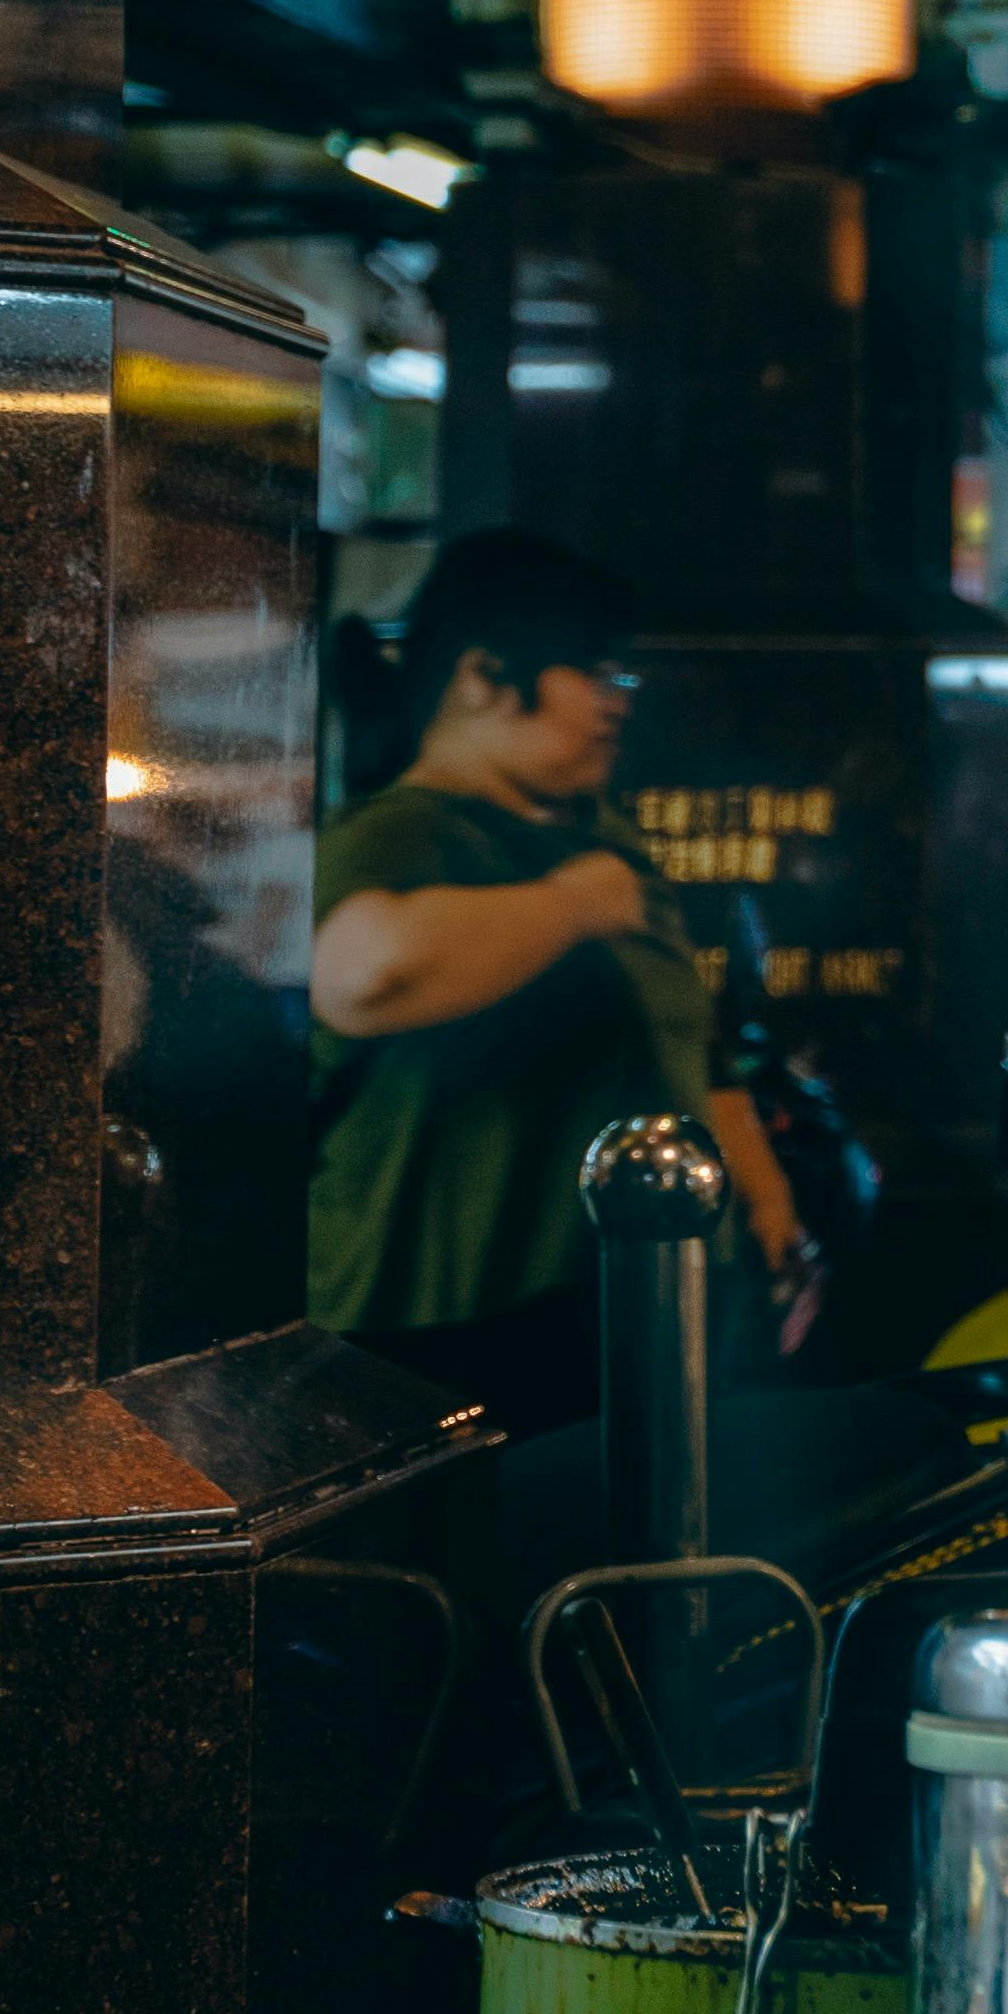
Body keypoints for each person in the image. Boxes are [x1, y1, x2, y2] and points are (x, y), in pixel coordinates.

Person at [306, 532, 803, 1438]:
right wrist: (571, 906)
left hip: (616, 1304)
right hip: (452, 1327)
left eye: (623, 677)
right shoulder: (405, 830)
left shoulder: (596, 836)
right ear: (482, 677)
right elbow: (358, 977)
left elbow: (688, 1045)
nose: (618, 702)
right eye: (593, 672)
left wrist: (762, 1199)